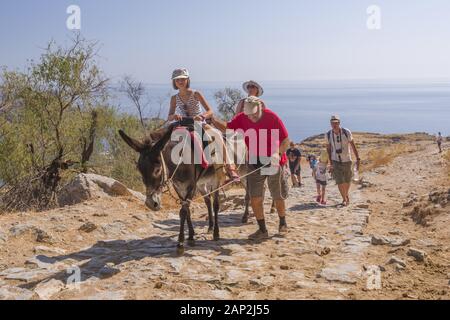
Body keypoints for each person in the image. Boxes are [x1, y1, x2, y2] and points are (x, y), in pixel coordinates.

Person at [212, 96, 290, 240]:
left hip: (273, 161)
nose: (252, 117)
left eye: (254, 114)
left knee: (277, 195)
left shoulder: (272, 117)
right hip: (254, 161)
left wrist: (278, 153)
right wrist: (213, 119)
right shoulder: (243, 117)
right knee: (255, 198)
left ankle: (283, 223)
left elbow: (286, 140)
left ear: (261, 107)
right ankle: (262, 230)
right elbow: (228, 127)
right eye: (249, 115)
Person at [168, 68, 239, 182]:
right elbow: (169, 116)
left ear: (187, 80)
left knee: (217, 134)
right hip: (183, 124)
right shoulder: (174, 98)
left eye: (182, 79)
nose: (180, 82)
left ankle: (230, 167)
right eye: (177, 80)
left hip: (198, 123)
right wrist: (174, 116)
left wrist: (201, 116)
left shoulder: (196, 93)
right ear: (174, 82)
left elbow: (210, 111)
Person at [326, 115, 360, 207]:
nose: (334, 125)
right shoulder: (328, 134)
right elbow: (328, 148)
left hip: (347, 159)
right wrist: (331, 162)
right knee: (339, 181)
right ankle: (344, 199)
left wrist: (358, 158)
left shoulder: (346, 132)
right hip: (335, 160)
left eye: (336, 123)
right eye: (332, 123)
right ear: (330, 123)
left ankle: (346, 194)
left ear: (339, 123)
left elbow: (353, 145)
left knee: (347, 180)